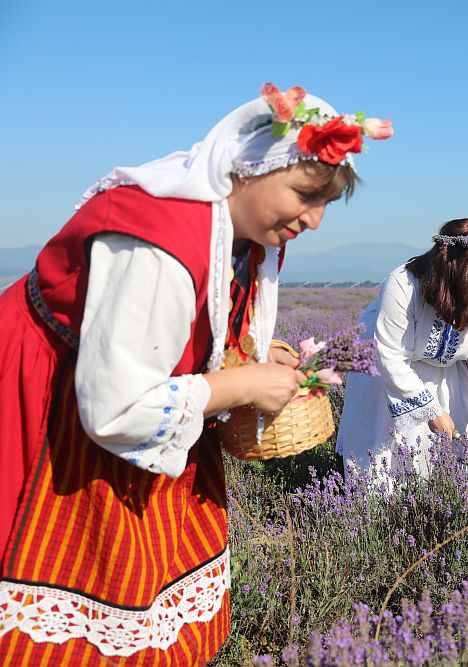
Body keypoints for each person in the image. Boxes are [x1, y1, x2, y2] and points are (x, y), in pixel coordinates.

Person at [0, 82, 391, 663]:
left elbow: (198, 332)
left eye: (326, 204)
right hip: (63, 411)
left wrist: (253, 358)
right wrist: (242, 385)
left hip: (147, 419)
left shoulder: (242, 236)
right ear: (250, 169)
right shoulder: (156, 239)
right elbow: (115, 406)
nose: (313, 220)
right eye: (305, 195)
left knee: (150, 593)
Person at [336, 219, 468, 478]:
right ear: (451, 270)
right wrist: (431, 411)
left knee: (447, 464)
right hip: (386, 373)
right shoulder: (403, 284)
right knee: (381, 458)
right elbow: (390, 355)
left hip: (447, 372)